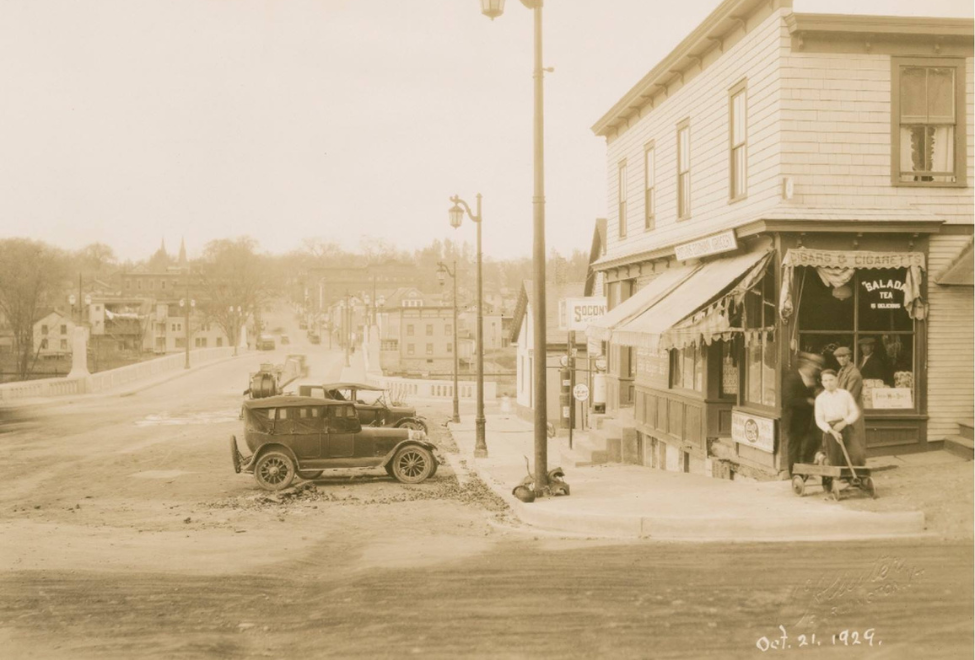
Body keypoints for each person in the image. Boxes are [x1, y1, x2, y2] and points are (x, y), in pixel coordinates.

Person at [814, 369, 865, 474]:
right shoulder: (820, 399)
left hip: (846, 427)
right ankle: (822, 458)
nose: (829, 383)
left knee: (858, 454)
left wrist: (844, 423)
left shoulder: (845, 394)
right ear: (822, 383)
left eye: (831, 380)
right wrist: (832, 431)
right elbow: (819, 420)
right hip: (831, 430)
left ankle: (855, 477)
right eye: (826, 381)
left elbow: (855, 412)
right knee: (835, 460)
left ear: (837, 380)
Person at [783, 353, 823, 475]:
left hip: (809, 420)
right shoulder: (792, 378)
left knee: (810, 444)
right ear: (806, 365)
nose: (815, 369)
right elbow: (788, 400)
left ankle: (806, 470)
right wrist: (808, 401)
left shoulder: (813, 379)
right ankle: (795, 474)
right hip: (794, 419)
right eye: (813, 366)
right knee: (794, 446)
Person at [834, 346, 867, 445]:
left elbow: (849, 397)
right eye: (838, 357)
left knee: (853, 445)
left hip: (850, 414)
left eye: (844, 356)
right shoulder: (841, 371)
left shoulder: (854, 374)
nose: (841, 359)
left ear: (849, 357)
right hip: (843, 414)